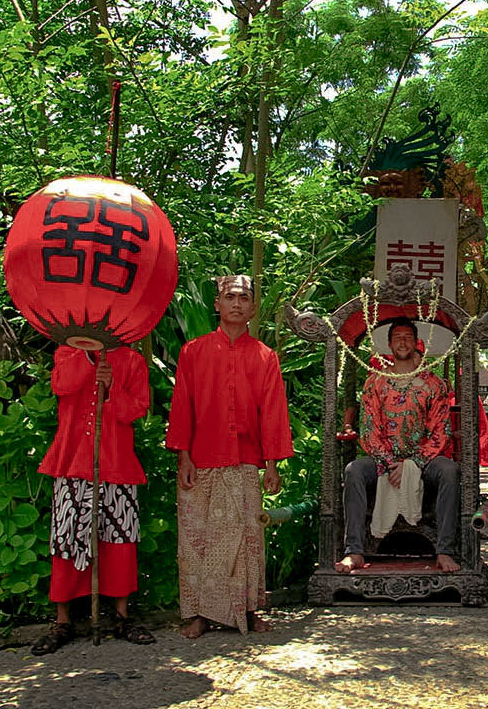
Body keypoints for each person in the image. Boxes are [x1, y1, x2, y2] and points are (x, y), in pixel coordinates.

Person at [166, 275, 293, 638]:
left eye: (244, 298)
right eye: (230, 296)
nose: (237, 303)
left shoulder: (265, 357)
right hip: (200, 460)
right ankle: (198, 614)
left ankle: (249, 610)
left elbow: (272, 412)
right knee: (195, 541)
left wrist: (271, 464)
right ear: (217, 305)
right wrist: (184, 457)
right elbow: (183, 408)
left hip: (244, 461)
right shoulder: (193, 351)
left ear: (253, 308)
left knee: (248, 537)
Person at [31, 345, 155, 655]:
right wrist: (88, 359)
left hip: (117, 462)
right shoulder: (67, 352)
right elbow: (61, 386)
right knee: (67, 538)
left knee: (121, 540)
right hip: (73, 460)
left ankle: (122, 616)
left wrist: (112, 385)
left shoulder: (132, 360)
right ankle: (62, 621)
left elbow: (136, 411)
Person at [336, 318, 460, 573]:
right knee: (354, 471)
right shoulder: (375, 382)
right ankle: (354, 551)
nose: (403, 342)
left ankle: (445, 551)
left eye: (408, 337)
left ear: (416, 343)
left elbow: (440, 431)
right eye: (397, 338)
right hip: (384, 459)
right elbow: (369, 430)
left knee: (449, 471)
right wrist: (390, 463)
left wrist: (413, 463)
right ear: (389, 345)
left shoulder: (434, 384)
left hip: (424, 460)